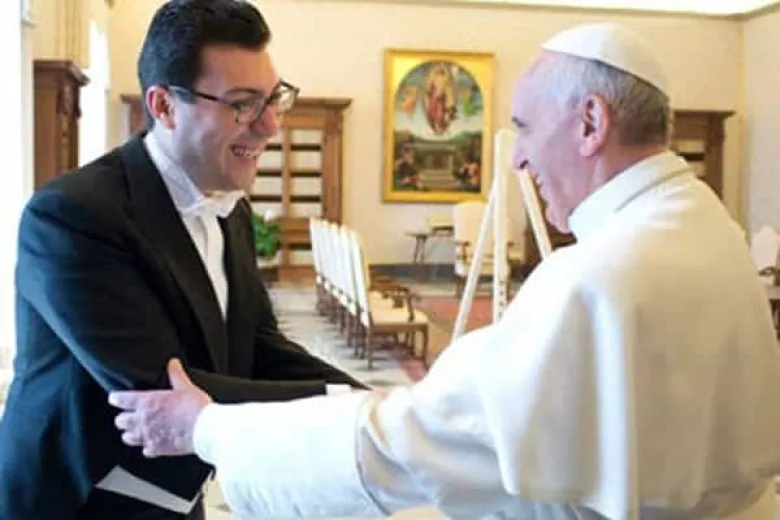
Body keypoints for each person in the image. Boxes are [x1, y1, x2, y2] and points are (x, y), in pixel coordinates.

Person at [109, 22, 780, 520]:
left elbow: (414, 446)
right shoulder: (708, 228)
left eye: (524, 128)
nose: (518, 159)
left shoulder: (600, 276)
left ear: (590, 123)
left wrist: (208, 429)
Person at [0, 1, 365, 519]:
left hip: (178, 494)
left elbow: (259, 346)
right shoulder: (71, 215)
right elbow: (163, 388)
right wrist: (345, 408)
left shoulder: (230, 208)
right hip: (78, 502)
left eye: (272, 99)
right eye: (243, 104)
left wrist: (371, 402)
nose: (269, 126)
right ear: (165, 105)